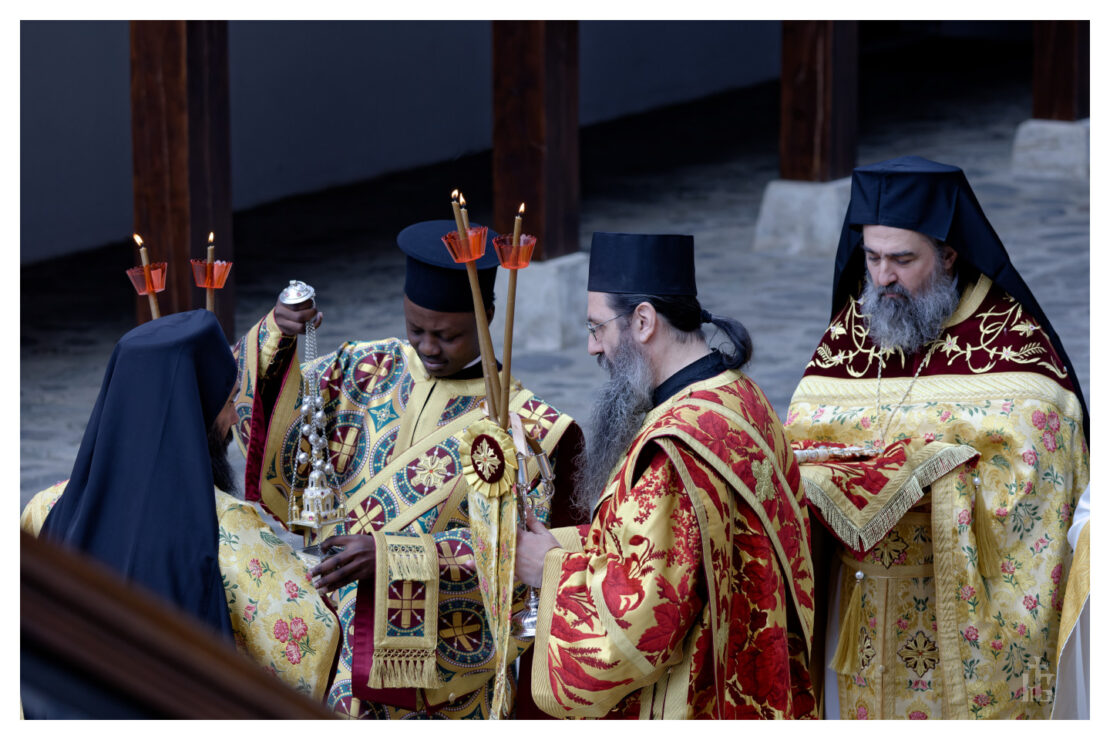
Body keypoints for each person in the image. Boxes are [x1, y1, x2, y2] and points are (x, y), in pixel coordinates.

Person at [233, 220, 581, 719]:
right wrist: (279, 338)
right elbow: (271, 423)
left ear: (486, 317)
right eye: (416, 330)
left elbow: (520, 556)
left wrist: (391, 556)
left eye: (447, 335)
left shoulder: (530, 427)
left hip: (446, 681)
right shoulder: (365, 367)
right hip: (336, 642)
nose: (428, 347)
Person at [783, 156, 1089, 720]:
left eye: (903, 259)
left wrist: (935, 482)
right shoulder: (851, 335)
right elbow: (798, 441)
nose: (882, 278)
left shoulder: (1012, 343)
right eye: (872, 257)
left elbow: (1041, 484)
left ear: (949, 254)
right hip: (859, 607)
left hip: (953, 622)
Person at [514, 232, 818, 719]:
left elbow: (637, 626)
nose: (592, 347)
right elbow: (669, 548)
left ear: (643, 321)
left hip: (698, 700)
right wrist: (562, 543)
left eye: (596, 328)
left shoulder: (676, 447)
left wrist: (549, 568)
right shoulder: (741, 396)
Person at [20, 310, 340, 713]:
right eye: (228, 402)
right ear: (194, 413)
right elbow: (306, 641)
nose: (233, 418)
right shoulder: (229, 529)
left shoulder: (42, 509)